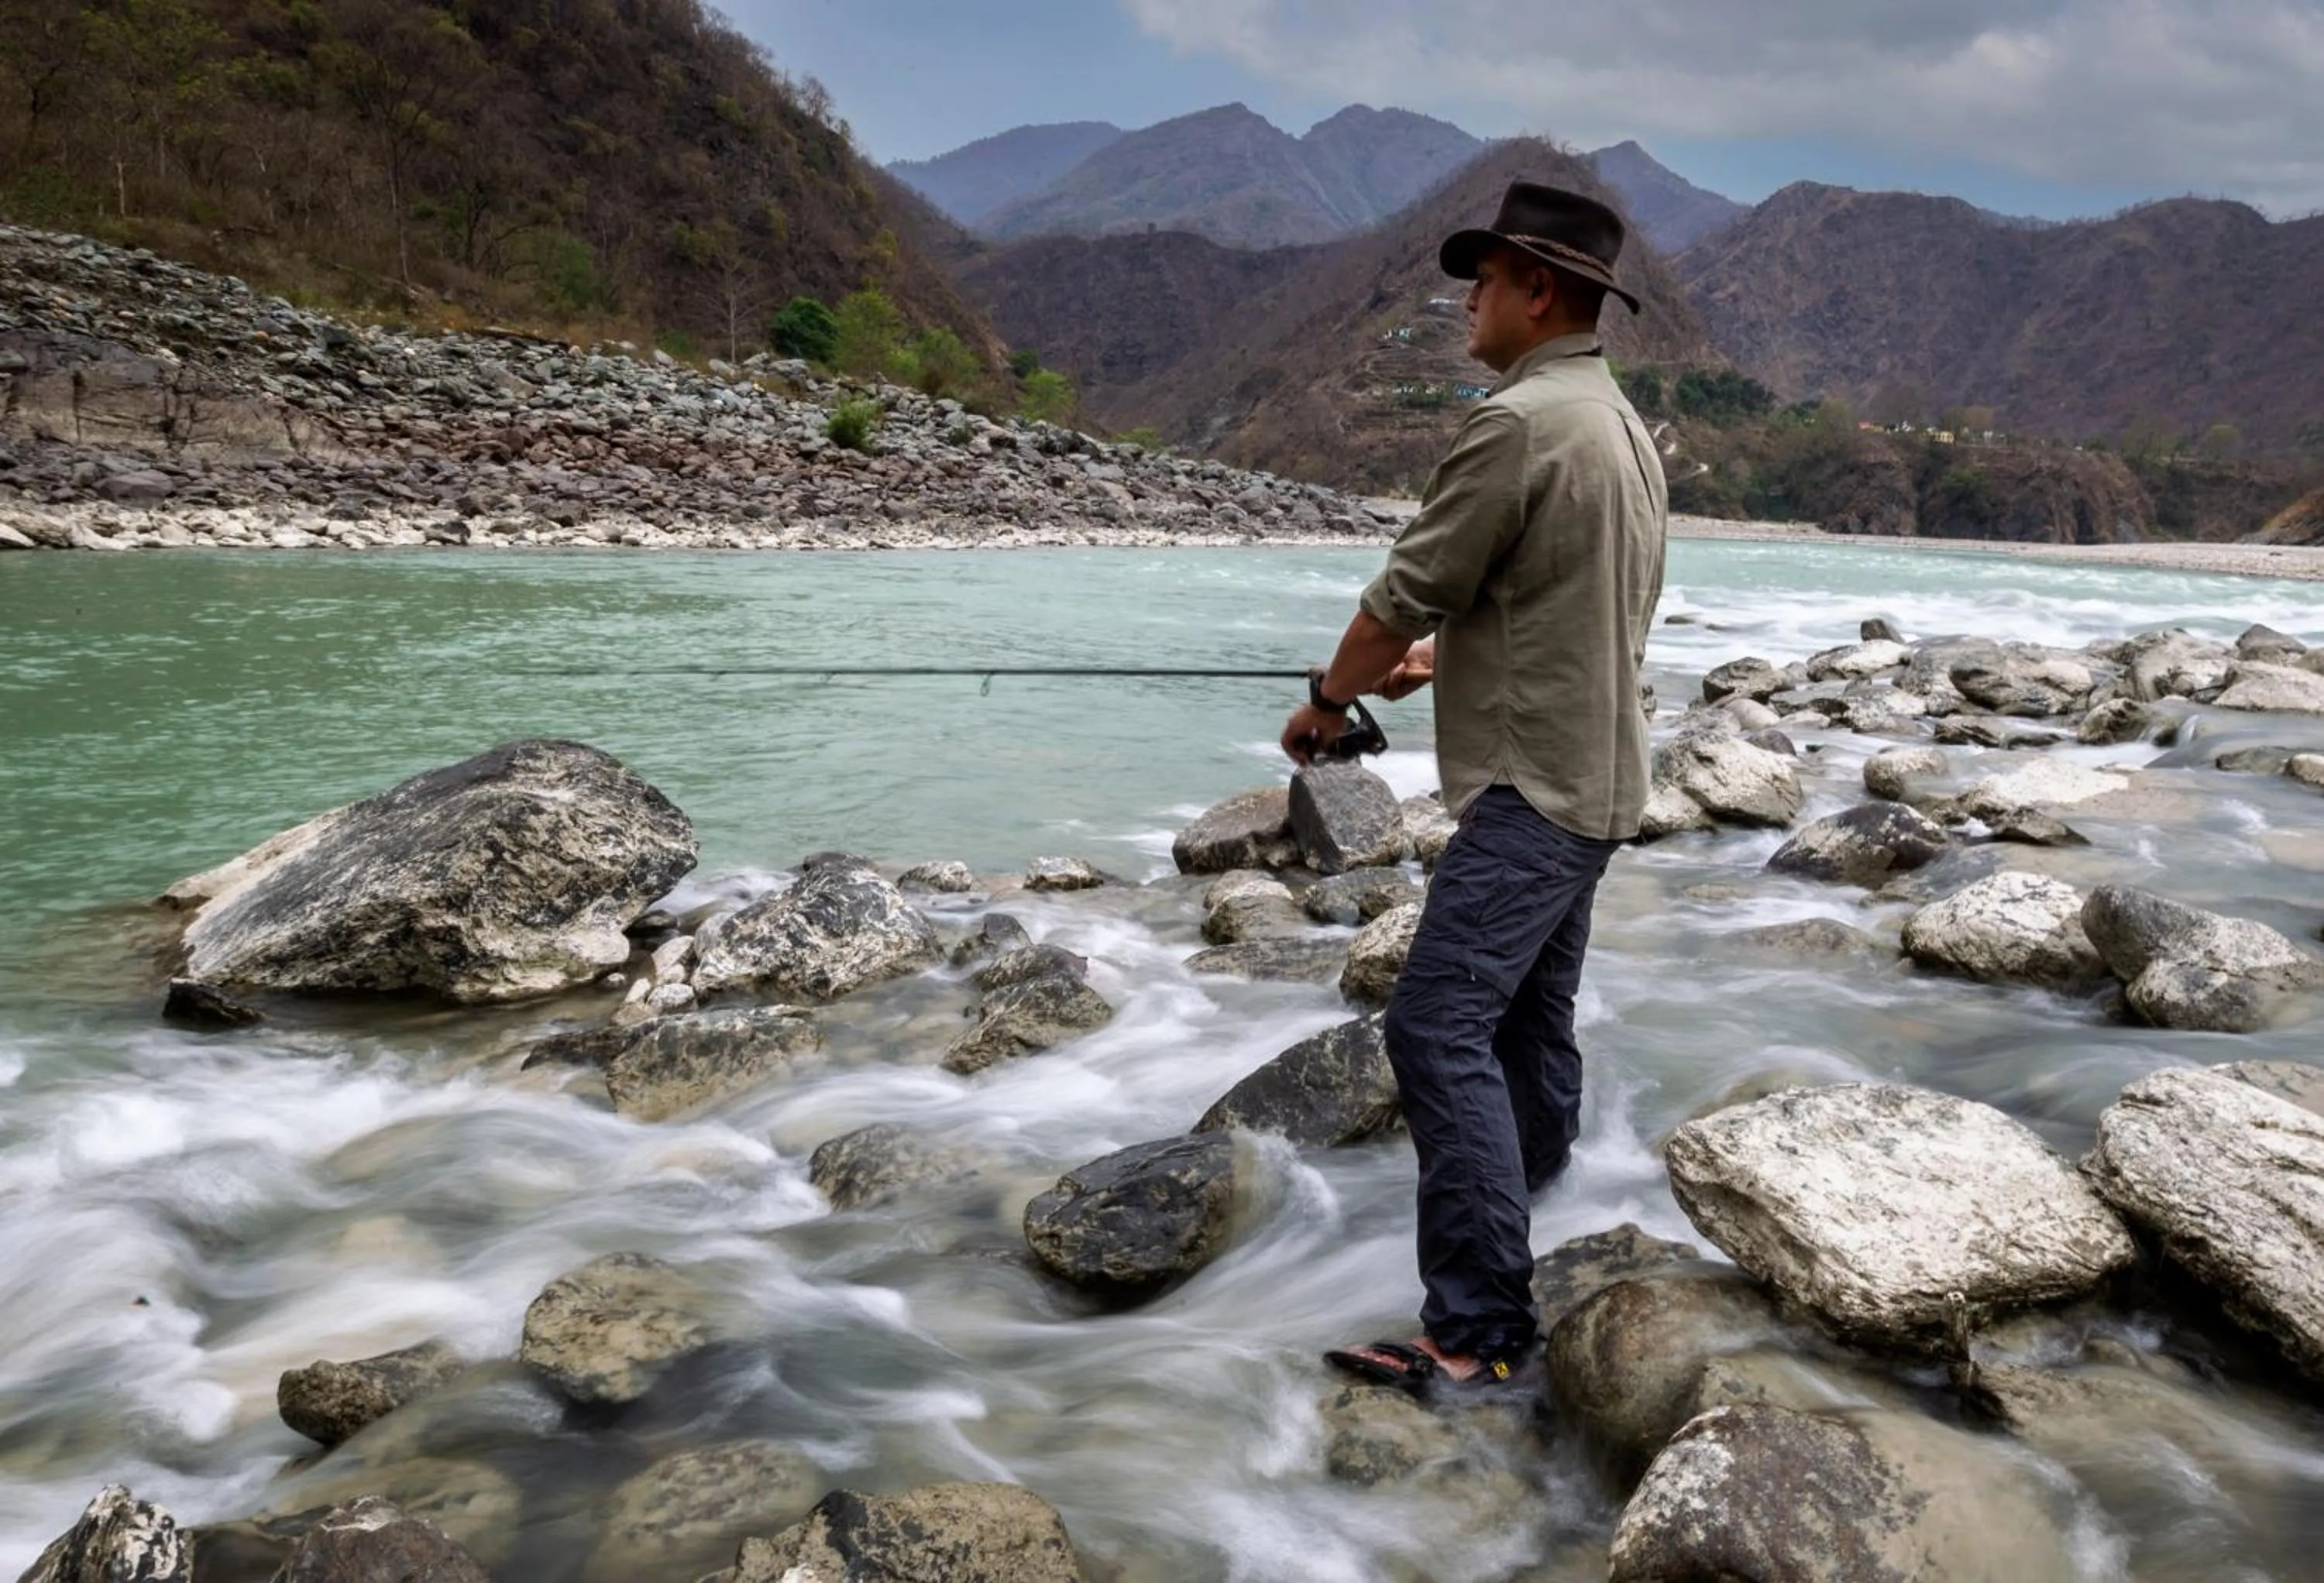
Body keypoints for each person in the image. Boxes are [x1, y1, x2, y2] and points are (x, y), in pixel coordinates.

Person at [1280, 181, 1669, 1391]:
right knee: (1527, 1023)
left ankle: (1479, 1330)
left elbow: (1403, 592)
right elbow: (1576, 605)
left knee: (1435, 1024)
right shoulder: (1621, 429)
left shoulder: (1517, 425)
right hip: (1599, 782)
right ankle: (1536, 1201)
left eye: (1486, 280)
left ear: (1538, 291)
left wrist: (1328, 705)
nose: (1468, 300)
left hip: (1530, 791)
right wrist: (1446, 665)